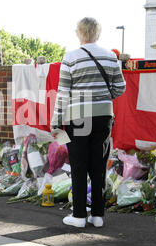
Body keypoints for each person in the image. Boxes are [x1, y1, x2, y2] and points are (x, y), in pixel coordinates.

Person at [50, 17, 126, 228]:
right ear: (98, 34)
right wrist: (102, 96)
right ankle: (98, 215)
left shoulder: (71, 58)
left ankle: (79, 216)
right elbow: (121, 87)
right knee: (99, 165)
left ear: (78, 33)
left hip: (78, 118)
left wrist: (56, 121)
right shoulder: (111, 57)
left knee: (79, 165)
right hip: (104, 117)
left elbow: (63, 93)